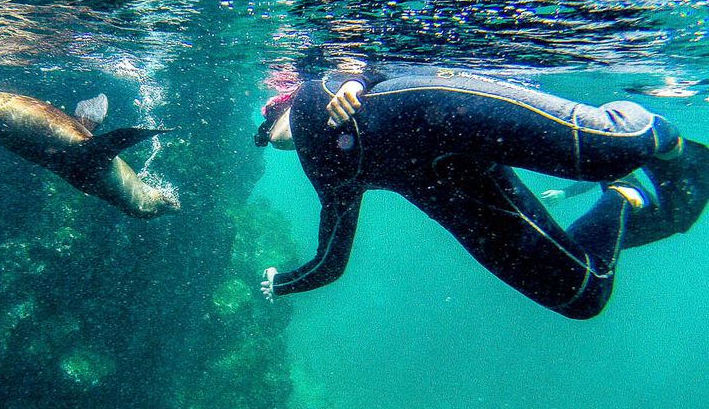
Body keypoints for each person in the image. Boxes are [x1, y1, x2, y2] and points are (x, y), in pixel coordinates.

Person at [254, 70, 709, 319]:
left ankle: (669, 145)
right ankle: (622, 199)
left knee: (608, 148)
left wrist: (359, 78)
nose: (265, 134)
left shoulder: (316, 91)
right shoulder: (331, 177)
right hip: (447, 183)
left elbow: (374, 65)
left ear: (282, 98)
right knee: (579, 295)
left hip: (438, 106)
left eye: (266, 120)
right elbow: (331, 260)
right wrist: (282, 283)